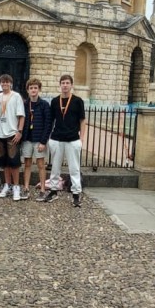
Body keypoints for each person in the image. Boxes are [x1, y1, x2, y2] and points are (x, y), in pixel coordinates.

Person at [44, 74, 87, 208]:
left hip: (72, 139)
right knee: (55, 168)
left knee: (74, 168)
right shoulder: (55, 101)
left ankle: (76, 194)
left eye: (67, 83)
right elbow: (51, 120)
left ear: (71, 85)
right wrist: (49, 137)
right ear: (60, 85)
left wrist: (82, 138)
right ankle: (53, 191)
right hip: (57, 138)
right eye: (63, 83)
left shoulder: (77, 101)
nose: (65, 85)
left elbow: (82, 120)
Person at [0, 73, 26, 201]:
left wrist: (19, 131)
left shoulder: (16, 96)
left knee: (14, 162)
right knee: (4, 162)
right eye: (3, 82)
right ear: (0, 84)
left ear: (10, 83)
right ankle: (7, 185)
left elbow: (21, 116)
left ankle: (16, 186)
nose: (5, 84)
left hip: (12, 133)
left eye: (7, 82)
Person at [21, 78, 52, 200]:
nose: (33, 90)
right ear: (27, 90)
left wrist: (44, 141)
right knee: (27, 164)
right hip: (27, 138)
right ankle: (26, 188)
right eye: (31, 88)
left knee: (40, 164)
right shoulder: (24, 104)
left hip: (39, 139)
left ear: (39, 89)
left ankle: (43, 189)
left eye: (35, 88)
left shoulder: (44, 104)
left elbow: (48, 124)